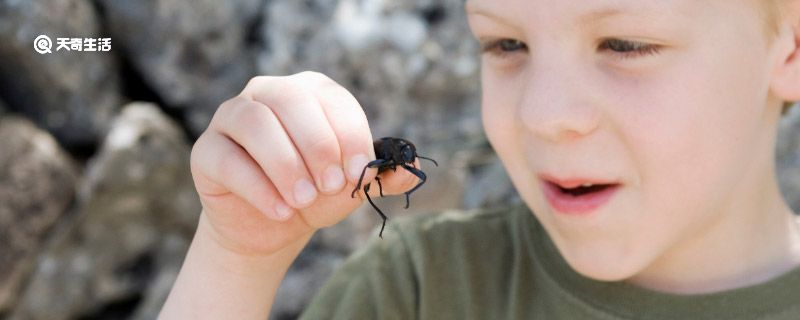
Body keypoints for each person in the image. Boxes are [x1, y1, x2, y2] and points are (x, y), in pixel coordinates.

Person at [159, 0, 800, 318]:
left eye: (625, 44)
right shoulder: (420, 290)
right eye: (505, 43)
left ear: (791, 47)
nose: (541, 114)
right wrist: (240, 258)